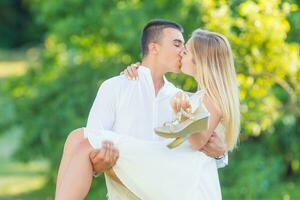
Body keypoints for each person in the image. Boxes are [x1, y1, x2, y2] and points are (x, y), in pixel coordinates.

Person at [55, 19, 237, 200]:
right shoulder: (118, 86)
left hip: (173, 177)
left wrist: (220, 153)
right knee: (78, 139)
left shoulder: (181, 97)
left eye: (186, 49)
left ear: (201, 60)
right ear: (154, 47)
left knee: (82, 139)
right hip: (140, 182)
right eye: (177, 44)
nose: (182, 52)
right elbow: (96, 152)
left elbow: (202, 140)